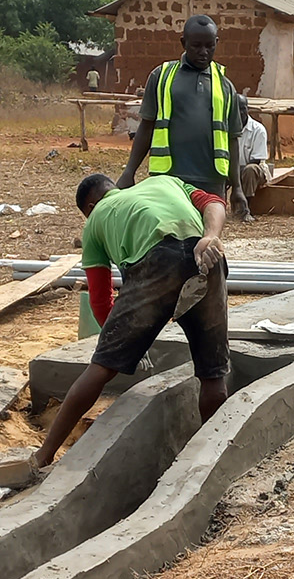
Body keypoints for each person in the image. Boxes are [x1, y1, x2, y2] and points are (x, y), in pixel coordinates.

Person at [30, 173, 232, 472]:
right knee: (213, 373)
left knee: (99, 369)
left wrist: (119, 344)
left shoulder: (96, 219)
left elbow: (100, 300)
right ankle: (211, 462)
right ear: (115, 188)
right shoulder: (168, 182)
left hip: (154, 264)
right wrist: (210, 235)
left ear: (90, 204)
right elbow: (215, 202)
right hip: (206, 256)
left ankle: (44, 456)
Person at [123, 14, 245, 213]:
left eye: (209, 46)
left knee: (207, 239)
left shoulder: (225, 86)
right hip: (169, 177)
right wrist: (129, 171)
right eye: (196, 46)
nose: (203, 52)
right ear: (183, 42)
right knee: (169, 235)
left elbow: (232, 139)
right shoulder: (162, 77)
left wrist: (237, 187)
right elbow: (147, 126)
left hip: (212, 180)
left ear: (216, 43)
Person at [234, 112, 272, 216]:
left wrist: (235, 172)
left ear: (246, 110)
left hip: (256, 170)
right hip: (235, 169)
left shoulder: (258, 129)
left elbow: (257, 160)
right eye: (236, 109)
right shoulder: (228, 128)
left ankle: (246, 208)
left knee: (250, 170)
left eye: (242, 109)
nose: (239, 113)